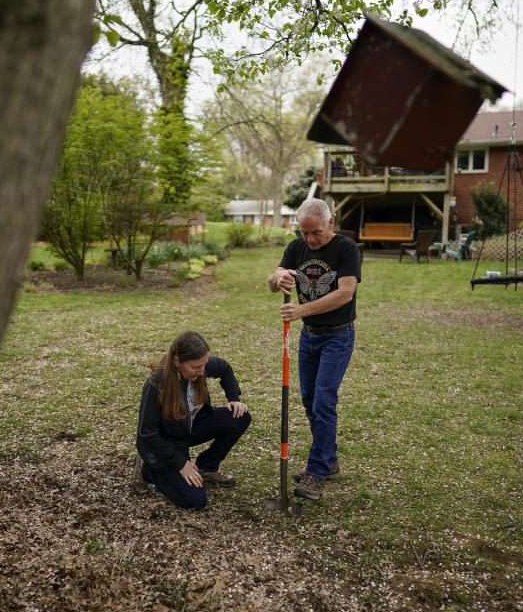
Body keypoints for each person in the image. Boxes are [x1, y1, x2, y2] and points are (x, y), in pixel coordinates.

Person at [266, 198, 361, 501]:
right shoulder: (297, 247)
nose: (309, 240)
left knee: (323, 400)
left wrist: (301, 311)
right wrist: (277, 277)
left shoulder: (347, 249)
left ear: (330, 223)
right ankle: (329, 460)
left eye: (315, 233)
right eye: (304, 233)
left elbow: (345, 294)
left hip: (337, 336)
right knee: (309, 401)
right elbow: (274, 280)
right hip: (309, 337)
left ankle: (316, 472)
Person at [132, 330, 251, 509]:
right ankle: (146, 468)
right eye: (195, 367)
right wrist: (180, 463)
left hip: (191, 428)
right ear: (176, 361)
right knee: (196, 500)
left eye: (203, 365)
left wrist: (234, 398)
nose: (202, 371)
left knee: (240, 416)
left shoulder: (200, 366)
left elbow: (224, 368)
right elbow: (146, 434)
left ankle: (207, 466)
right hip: (166, 443)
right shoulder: (156, 385)